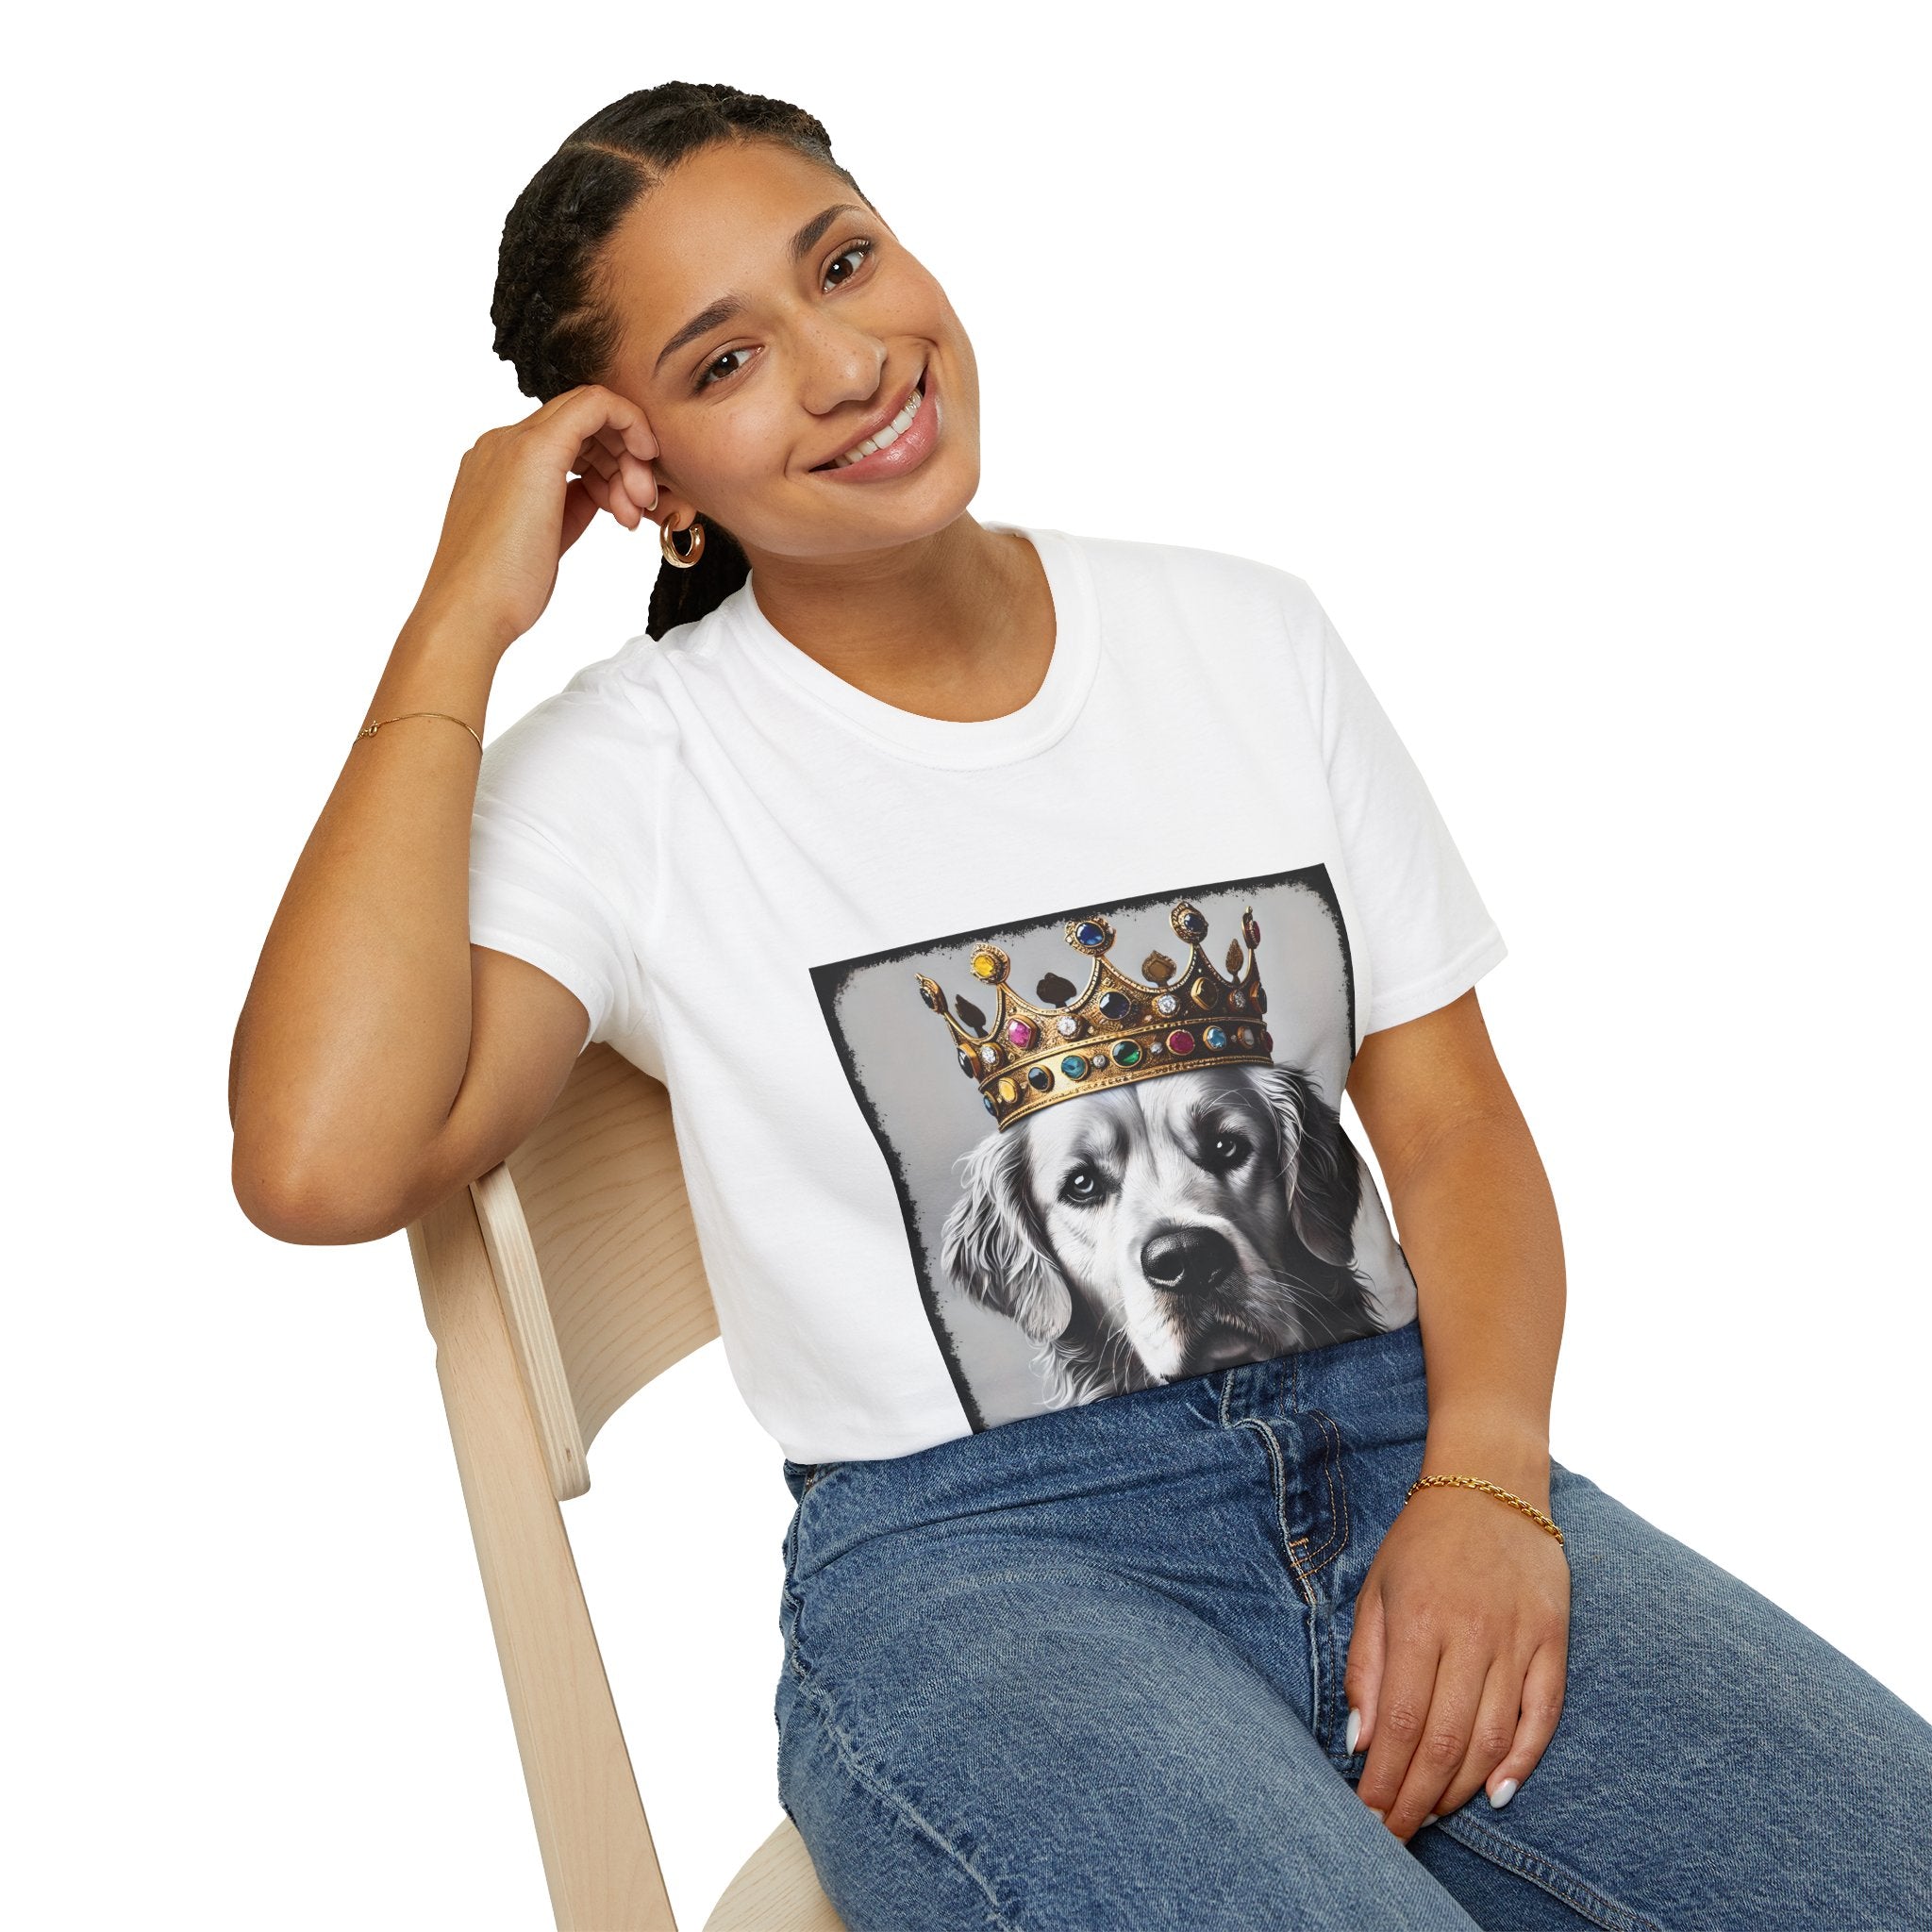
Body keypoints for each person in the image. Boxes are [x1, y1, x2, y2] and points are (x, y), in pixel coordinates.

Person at [228, 80, 1932, 1931]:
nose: (845, 361)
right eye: (725, 362)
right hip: (984, 1570)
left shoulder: (1243, 637)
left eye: (845, 263)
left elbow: (1445, 1124)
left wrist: (1490, 1487)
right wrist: (456, 618)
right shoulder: (635, 772)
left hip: (1403, 1447)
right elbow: (321, 1158)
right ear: (647, 480)